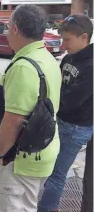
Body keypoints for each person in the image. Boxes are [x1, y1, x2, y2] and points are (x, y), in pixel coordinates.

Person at [0, 5, 61, 212]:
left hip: (19, 158)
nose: (7, 32)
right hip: (40, 150)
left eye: (8, 27)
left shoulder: (24, 66)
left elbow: (14, 121)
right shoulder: (45, 57)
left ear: (16, 29)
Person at [38, 14, 93, 212]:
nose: (63, 44)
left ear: (84, 37)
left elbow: (72, 100)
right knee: (49, 170)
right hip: (61, 120)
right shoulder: (70, 57)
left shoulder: (91, 65)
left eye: (68, 39)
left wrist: (47, 102)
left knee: (57, 174)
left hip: (76, 126)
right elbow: (57, 83)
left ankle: (48, 208)